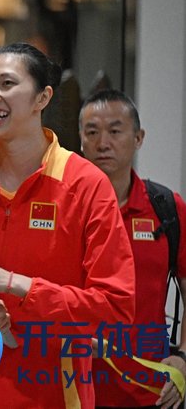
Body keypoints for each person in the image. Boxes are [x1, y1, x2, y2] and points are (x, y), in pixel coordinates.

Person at [0, 42, 135, 408]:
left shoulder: (86, 185)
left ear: (42, 98)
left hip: (49, 392)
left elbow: (113, 306)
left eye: (7, 83)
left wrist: (15, 285)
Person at [79, 89, 186, 409]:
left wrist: (183, 356)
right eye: (92, 132)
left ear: (138, 138)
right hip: (72, 388)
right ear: (80, 140)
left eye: (115, 131)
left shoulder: (166, 208)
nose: (103, 143)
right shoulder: (63, 209)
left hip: (149, 390)